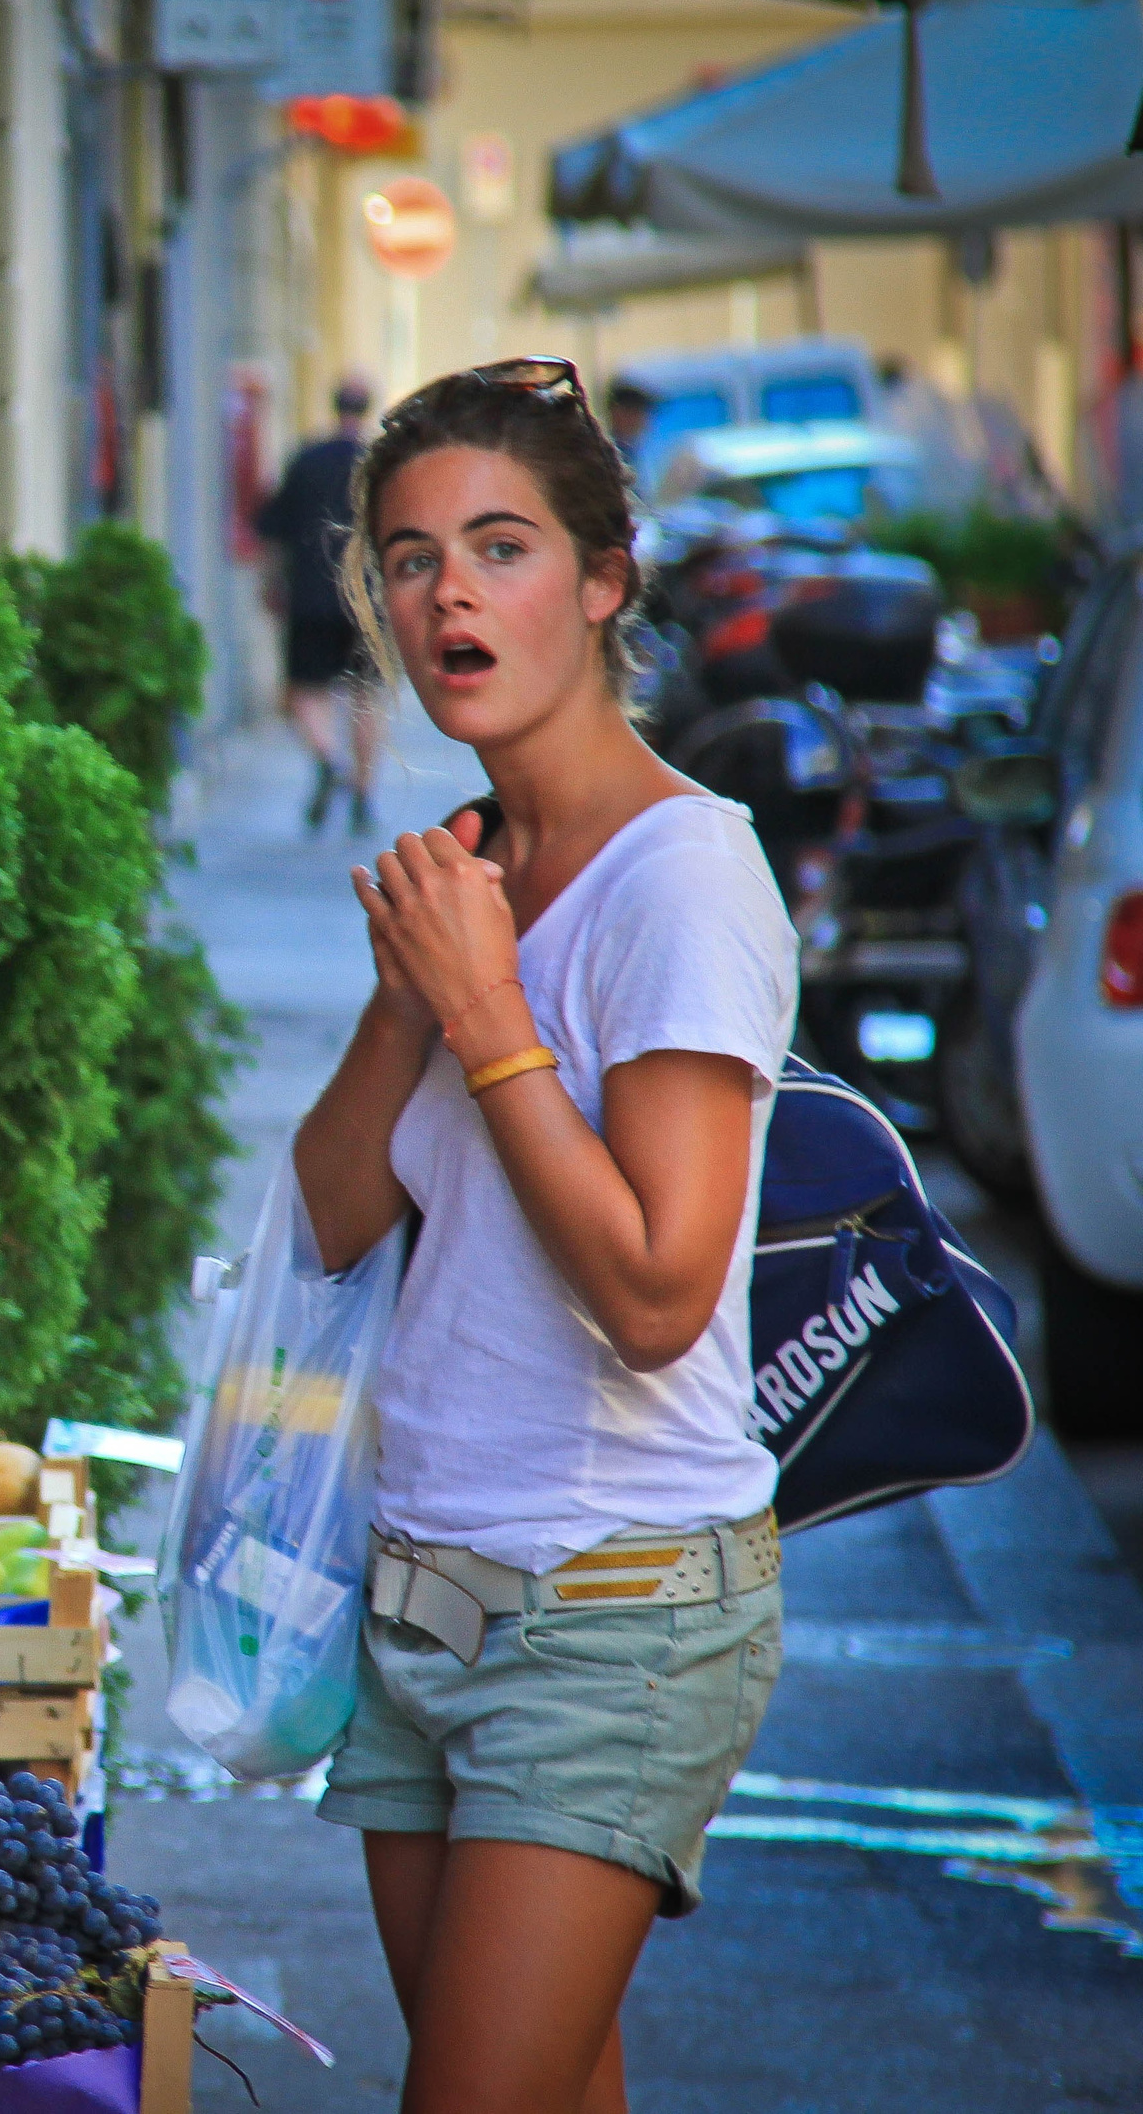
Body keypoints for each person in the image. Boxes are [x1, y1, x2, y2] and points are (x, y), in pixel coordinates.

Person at [292, 358, 796, 2113]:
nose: (448, 595)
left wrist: (492, 1013)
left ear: (602, 577)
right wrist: (412, 998)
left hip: (612, 1604)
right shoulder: (471, 855)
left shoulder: (686, 879)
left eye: (499, 547)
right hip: (424, 1581)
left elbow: (660, 1293)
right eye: (410, 556)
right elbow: (339, 1208)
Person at [255, 376, 381, 834]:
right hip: (365, 599)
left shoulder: (304, 460)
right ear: (367, 408)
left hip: (308, 595)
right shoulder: (377, 464)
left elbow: (272, 528)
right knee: (366, 696)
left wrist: (271, 583)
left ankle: (328, 761)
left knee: (301, 693)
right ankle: (364, 797)